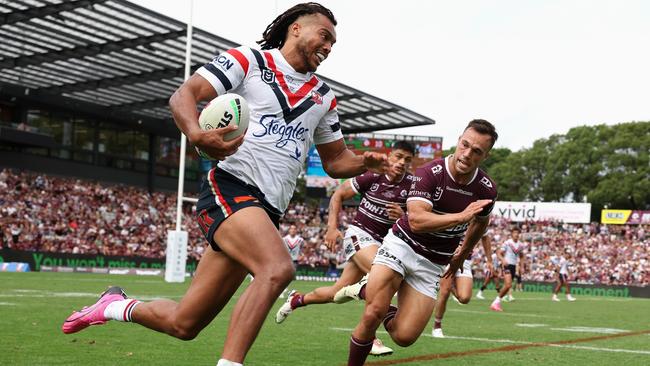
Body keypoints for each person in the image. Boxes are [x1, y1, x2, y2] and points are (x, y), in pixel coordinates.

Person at [61, 3, 388, 365]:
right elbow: (183, 95)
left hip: (266, 211)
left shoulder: (324, 97)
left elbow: (335, 161)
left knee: (185, 323)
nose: (329, 47)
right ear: (296, 29)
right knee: (277, 268)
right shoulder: (249, 61)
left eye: (334, 43)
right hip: (231, 188)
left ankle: (113, 306)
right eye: (324, 36)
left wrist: (367, 163)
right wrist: (198, 134)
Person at [346, 119, 498, 366]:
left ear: (486, 156)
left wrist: (463, 253)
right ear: (459, 140)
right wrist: (461, 216)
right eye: (465, 145)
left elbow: (481, 222)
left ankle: (365, 289)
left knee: (404, 337)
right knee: (373, 312)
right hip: (402, 245)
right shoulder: (430, 173)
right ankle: (372, 298)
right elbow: (416, 220)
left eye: (477, 151)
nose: (467, 154)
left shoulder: (486, 189)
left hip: (433, 263)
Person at [275, 141, 416, 356]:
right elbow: (338, 194)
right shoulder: (373, 175)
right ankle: (371, 337)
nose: (401, 162)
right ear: (390, 155)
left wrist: (403, 217)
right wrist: (332, 228)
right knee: (385, 277)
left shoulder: (412, 187)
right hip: (358, 235)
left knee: (334, 293)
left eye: (407, 160)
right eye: (398, 156)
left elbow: (417, 220)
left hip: (382, 245)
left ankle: (297, 299)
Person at [431, 234, 493, 338]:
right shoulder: (452, 217)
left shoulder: (481, 218)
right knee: (444, 291)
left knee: (464, 298)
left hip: (465, 260)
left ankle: (450, 285)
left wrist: (489, 260)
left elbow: (485, 237)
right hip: (447, 256)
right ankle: (437, 326)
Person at [490, 227, 525, 311]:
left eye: (518, 233)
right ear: (512, 234)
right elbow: (498, 253)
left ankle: (496, 303)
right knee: (508, 285)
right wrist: (502, 260)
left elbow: (522, 256)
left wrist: (522, 266)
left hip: (513, 266)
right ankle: (495, 303)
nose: (516, 234)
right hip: (507, 265)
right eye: (515, 232)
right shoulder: (507, 243)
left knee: (507, 286)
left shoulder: (521, 245)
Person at [279, 224, 305, 298]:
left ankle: (284, 290)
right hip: (285, 260)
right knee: (284, 276)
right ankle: (283, 291)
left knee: (290, 277)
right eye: (291, 229)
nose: (293, 230)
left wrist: (302, 255)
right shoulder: (284, 239)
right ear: (289, 230)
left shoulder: (300, 240)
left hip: (295, 261)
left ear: (296, 230)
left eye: (294, 229)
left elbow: (303, 248)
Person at [476, 234, 501, 300]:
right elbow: (489, 263)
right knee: (486, 283)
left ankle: (500, 296)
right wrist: (492, 271)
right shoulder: (493, 255)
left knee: (497, 283)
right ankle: (479, 293)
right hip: (490, 270)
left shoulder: (496, 255)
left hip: (493, 270)